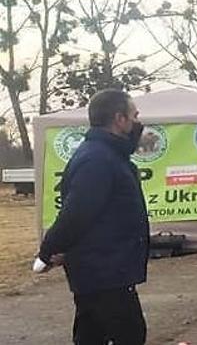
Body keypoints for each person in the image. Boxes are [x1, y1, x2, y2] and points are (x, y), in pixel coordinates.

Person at [35, 89, 149, 345]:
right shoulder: (98, 160)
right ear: (119, 119)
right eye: (134, 116)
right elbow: (76, 213)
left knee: (92, 337)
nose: (138, 123)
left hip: (104, 269)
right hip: (104, 271)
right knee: (129, 335)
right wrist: (48, 250)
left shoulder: (108, 156)